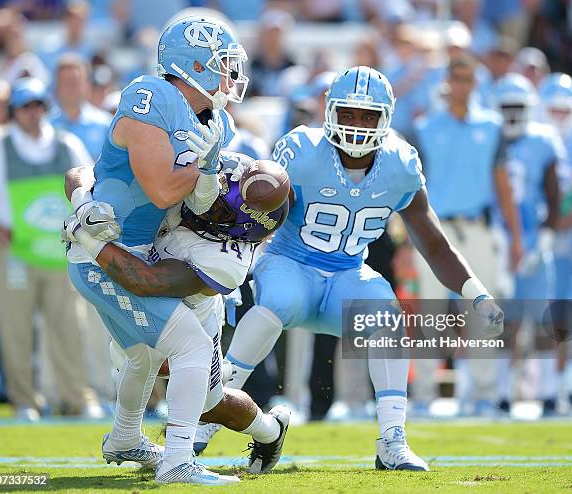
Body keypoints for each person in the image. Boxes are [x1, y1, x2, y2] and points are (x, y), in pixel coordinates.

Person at [200, 66, 505, 471]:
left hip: (346, 273)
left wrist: (476, 292)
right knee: (280, 301)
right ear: (329, 109)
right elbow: (261, 218)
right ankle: (211, 416)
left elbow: (432, 241)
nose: (357, 125)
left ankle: (392, 440)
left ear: (386, 118)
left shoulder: (400, 163)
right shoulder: (302, 151)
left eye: (368, 116)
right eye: (348, 113)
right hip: (290, 262)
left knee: (388, 316)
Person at [64, 15, 249, 485]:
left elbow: (201, 199)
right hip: (105, 253)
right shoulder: (153, 96)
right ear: (196, 65)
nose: (230, 75)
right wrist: (209, 166)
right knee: (189, 345)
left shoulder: (217, 121)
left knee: (143, 357)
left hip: (140, 250)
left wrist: (214, 174)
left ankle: (125, 438)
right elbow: (164, 189)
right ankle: (177, 460)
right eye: (222, 64)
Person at [63, 152, 291, 475]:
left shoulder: (227, 262)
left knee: (209, 404)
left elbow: (147, 281)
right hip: (154, 300)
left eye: (218, 207)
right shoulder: (212, 171)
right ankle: (127, 439)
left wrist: (86, 237)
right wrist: (83, 202)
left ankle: (269, 430)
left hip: (194, 311)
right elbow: (82, 173)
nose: (205, 199)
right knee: (138, 357)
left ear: (240, 228)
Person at [0, 77, 97, 421]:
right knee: (14, 328)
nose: (33, 113)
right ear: (14, 112)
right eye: (25, 107)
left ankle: (77, 397)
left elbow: (89, 188)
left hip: (58, 249)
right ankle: (25, 402)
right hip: (12, 251)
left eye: (38, 105)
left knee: (69, 326)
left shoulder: (67, 144)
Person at [412, 55, 522, 415]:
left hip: (478, 228)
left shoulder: (491, 127)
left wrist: (516, 237)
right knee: (430, 314)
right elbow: (412, 192)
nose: (461, 84)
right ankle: (425, 393)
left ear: (475, 83)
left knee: (484, 312)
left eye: (467, 78)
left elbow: (504, 188)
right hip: (434, 232)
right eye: (455, 77)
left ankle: (484, 394)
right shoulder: (425, 127)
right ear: (447, 83)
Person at [493, 73, 563, 416]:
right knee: (504, 324)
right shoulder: (489, 138)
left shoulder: (543, 140)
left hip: (534, 242)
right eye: (505, 107)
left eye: (517, 107)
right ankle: (501, 395)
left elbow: (555, 195)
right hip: (498, 241)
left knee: (543, 321)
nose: (511, 114)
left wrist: (546, 237)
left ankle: (549, 393)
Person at [538, 73, 572, 410]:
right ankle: (548, 388)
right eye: (552, 109)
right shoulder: (535, 137)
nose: (559, 116)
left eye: (564, 109)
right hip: (542, 233)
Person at [50, 54, 112, 159]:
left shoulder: (105, 124)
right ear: (56, 87)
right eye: (66, 82)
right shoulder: (46, 126)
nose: (70, 88)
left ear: (87, 85)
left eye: (75, 81)